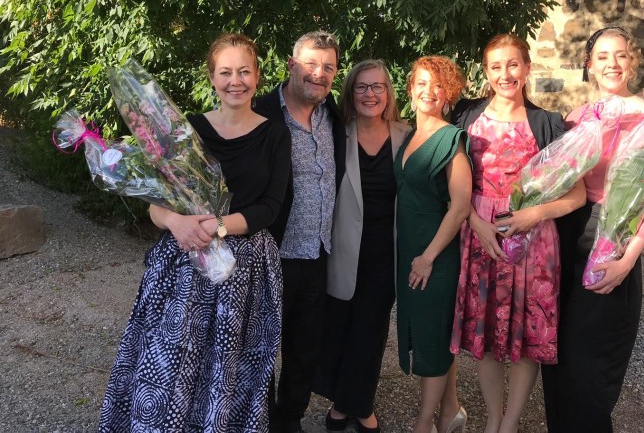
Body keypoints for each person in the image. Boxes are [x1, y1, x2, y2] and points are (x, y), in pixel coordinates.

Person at [99, 33, 291, 431]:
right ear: (211, 77)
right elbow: (157, 201)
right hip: (184, 262)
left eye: (244, 72)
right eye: (225, 72)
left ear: (257, 76)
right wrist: (176, 222)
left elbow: (270, 207)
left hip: (244, 270)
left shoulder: (275, 133)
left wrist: (218, 226)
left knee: (230, 366)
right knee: (172, 361)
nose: (235, 81)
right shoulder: (187, 129)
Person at [449, 34, 585, 433]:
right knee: (487, 335)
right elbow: (450, 181)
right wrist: (474, 221)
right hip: (481, 239)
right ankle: (493, 419)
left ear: (526, 68)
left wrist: (534, 215)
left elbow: (577, 194)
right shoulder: (466, 116)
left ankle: (510, 423)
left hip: (534, 244)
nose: (505, 74)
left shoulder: (548, 124)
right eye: (496, 66)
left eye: (513, 65)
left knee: (527, 337)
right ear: (486, 72)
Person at [541, 26, 644, 432]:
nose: (612, 64)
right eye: (602, 57)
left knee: (590, 361)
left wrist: (627, 260)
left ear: (632, 62)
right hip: (566, 236)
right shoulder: (577, 117)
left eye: (620, 55)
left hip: (613, 238)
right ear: (589, 65)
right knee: (556, 350)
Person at [255, 30, 346, 433]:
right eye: (310, 63)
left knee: (305, 347)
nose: (319, 73)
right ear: (291, 65)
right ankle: (257, 417)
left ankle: (289, 418)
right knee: (260, 344)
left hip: (318, 252)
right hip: (270, 251)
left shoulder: (334, 116)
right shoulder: (260, 113)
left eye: (328, 67)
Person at [313, 59, 411, 432]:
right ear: (351, 93)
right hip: (342, 248)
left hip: (387, 251)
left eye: (377, 86)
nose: (370, 94)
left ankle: (357, 406)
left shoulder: (407, 135)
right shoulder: (336, 134)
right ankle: (345, 401)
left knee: (370, 331)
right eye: (361, 87)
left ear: (388, 93)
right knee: (338, 328)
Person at [394, 55, 472, 433]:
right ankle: (451, 410)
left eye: (438, 85)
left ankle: (424, 424)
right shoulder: (409, 136)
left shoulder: (451, 140)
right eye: (422, 83)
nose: (429, 91)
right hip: (409, 250)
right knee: (434, 335)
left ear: (448, 94)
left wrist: (427, 257)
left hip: (434, 256)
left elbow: (460, 207)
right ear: (411, 90)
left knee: (432, 339)